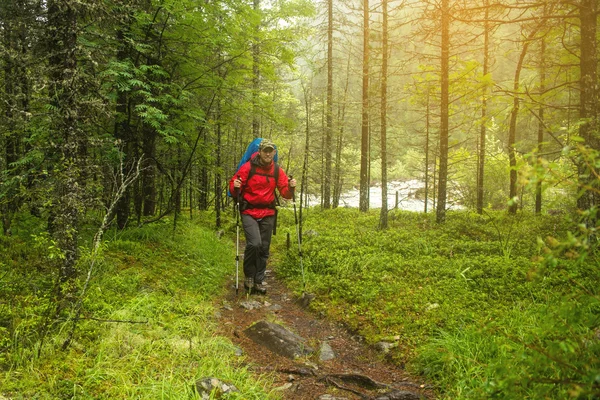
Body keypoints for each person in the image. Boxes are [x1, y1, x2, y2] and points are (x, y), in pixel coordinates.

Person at [229, 139, 296, 295]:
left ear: (274, 153)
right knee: (254, 244)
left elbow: (285, 193)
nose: (267, 153)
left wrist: (292, 187)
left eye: (270, 151)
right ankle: (249, 277)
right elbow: (234, 185)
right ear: (259, 152)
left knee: (264, 248)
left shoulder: (277, 170)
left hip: (268, 212)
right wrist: (235, 186)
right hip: (249, 211)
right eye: (265, 150)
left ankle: (258, 281)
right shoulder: (248, 168)